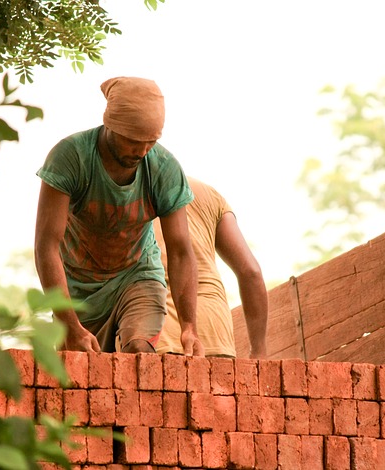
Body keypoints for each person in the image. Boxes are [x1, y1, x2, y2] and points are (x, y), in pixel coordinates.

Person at [34, 76, 203, 355]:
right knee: (80, 370)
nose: (141, 150)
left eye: (150, 141)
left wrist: (189, 327)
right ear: (110, 125)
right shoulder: (70, 158)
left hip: (137, 274)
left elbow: (182, 251)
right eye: (132, 141)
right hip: (79, 287)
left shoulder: (164, 168)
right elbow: (46, 246)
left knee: (139, 348)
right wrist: (70, 325)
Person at [154, 177, 268, 358]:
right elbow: (251, 272)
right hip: (214, 331)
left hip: (159, 328)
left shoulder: (136, 187)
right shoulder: (210, 195)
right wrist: (259, 352)